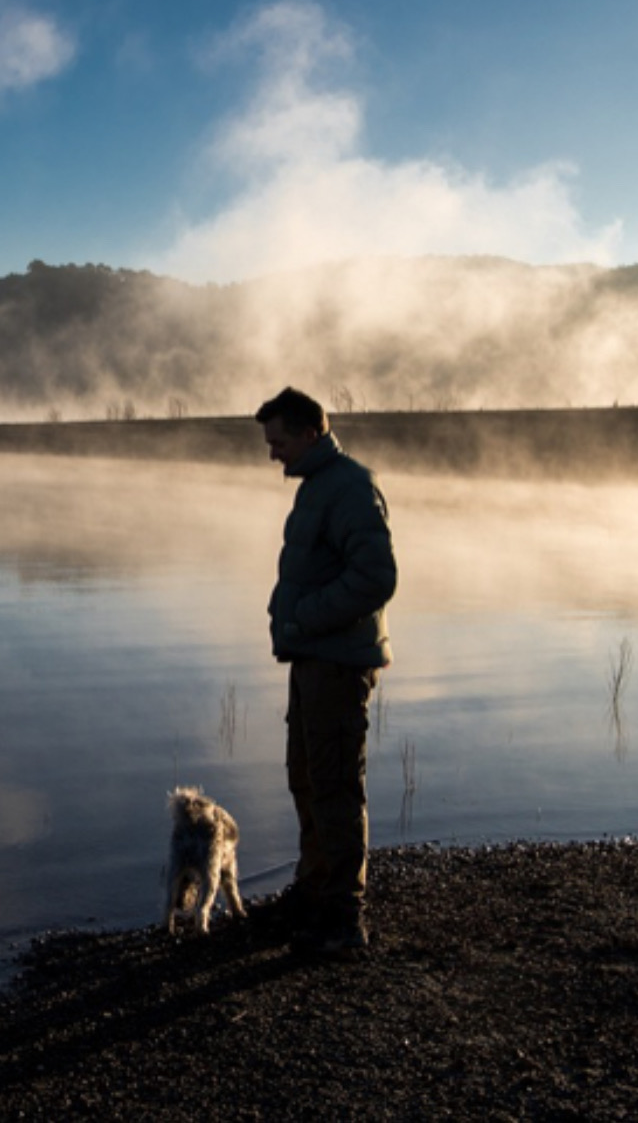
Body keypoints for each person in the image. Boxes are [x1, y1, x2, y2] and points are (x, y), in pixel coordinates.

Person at [255, 386, 397, 955]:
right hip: (314, 658)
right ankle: (314, 891)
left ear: (311, 433)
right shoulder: (320, 487)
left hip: (337, 664)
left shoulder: (351, 489)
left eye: (279, 441)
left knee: (335, 786)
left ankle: (343, 919)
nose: (272, 454)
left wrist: (305, 618)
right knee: (307, 777)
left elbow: (376, 578)